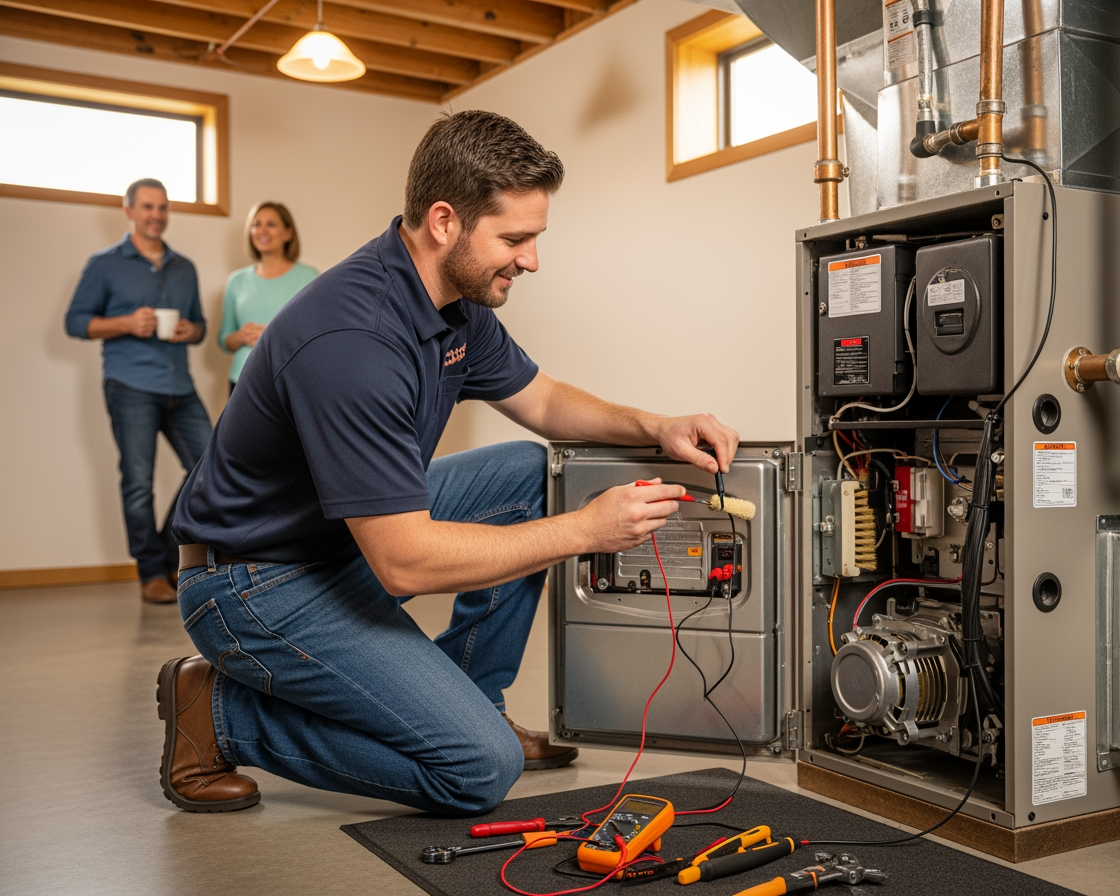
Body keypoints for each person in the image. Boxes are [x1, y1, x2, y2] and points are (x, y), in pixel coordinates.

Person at [160, 110, 738, 816]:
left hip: (335, 542)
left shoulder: (452, 301)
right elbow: (404, 562)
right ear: (443, 222)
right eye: (515, 239)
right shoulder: (354, 340)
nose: (531, 260)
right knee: (475, 771)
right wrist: (585, 530)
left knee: (530, 472)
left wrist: (656, 423)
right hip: (254, 582)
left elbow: (545, 400)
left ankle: (477, 698)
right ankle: (220, 714)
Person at [65, 178, 213, 605]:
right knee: (137, 483)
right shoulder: (104, 264)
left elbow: (200, 325)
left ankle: (169, 557)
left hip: (180, 387)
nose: (156, 215)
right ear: (129, 211)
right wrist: (126, 323)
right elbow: (76, 323)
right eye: (148, 207)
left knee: (207, 468)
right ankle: (151, 572)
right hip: (130, 386)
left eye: (163, 207)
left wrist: (191, 330)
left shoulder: (184, 267)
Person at [219, 202, 318, 395]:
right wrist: (242, 336)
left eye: (271, 224)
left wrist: (271, 335)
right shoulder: (236, 280)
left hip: (290, 381)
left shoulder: (309, 277)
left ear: (288, 233)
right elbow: (224, 339)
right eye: (256, 224)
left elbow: (316, 336)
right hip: (241, 381)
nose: (261, 230)